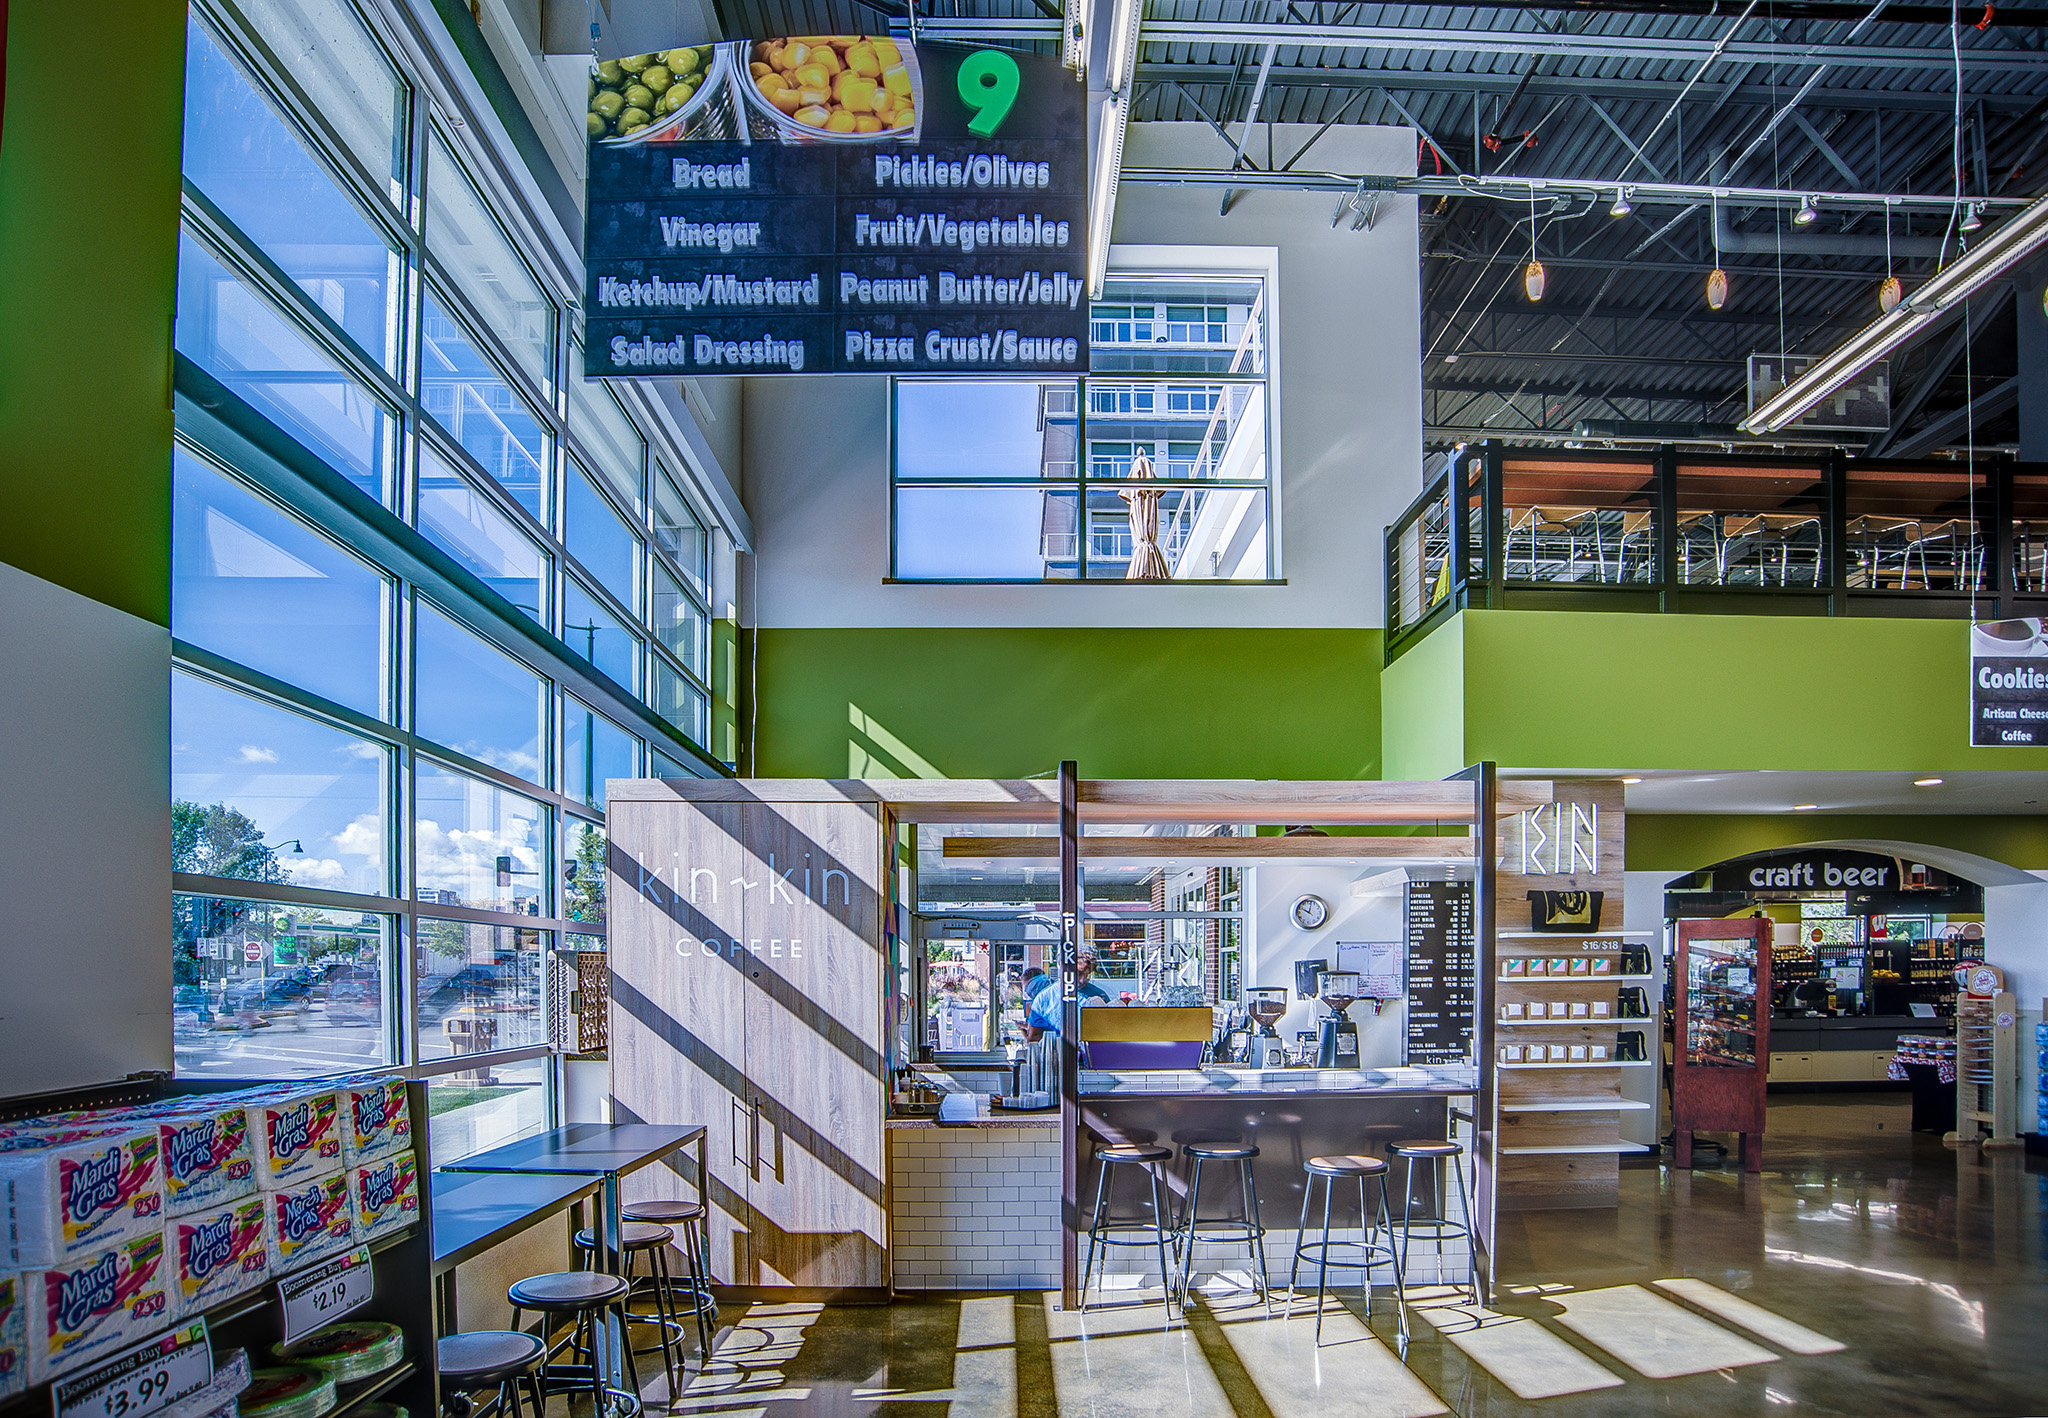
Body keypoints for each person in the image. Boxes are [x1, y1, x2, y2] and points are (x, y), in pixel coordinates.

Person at [1023, 952, 1109, 1039]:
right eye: (1078, 973)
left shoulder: (1099, 996)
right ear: (1062, 968)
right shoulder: (1044, 999)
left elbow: (1107, 1034)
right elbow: (1034, 1038)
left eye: (1087, 974)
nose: (1083, 980)